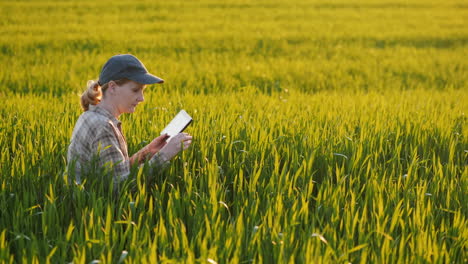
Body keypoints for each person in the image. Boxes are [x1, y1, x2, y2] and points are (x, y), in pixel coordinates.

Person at [67, 54, 192, 185]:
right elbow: (119, 188)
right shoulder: (102, 126)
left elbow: (117, 171)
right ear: (112, 87)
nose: (141, 98)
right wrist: (165, 155)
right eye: (135, 90)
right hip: (95, 203)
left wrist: (147, 152)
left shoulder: (91, 116)